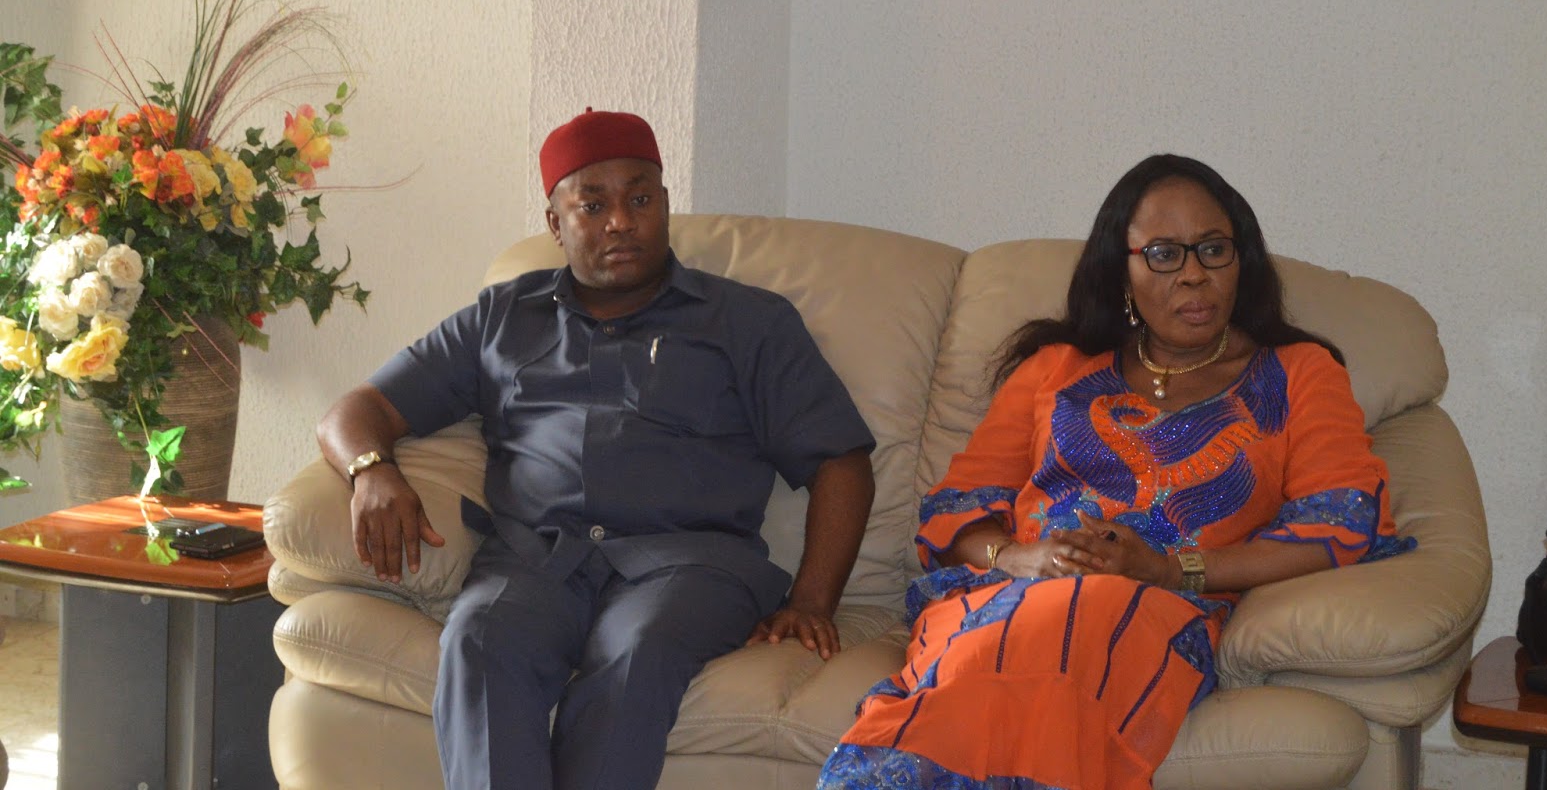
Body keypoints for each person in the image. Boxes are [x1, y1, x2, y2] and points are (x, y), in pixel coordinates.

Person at [816, 154, 1415, 790]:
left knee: (1085, 615)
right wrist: (1018, 557)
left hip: (1155, 611)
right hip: (1011, 596)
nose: (1193, 274)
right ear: (1121, 270)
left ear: (1243, 262)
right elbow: (954, 508)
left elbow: (1340, 525)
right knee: (1009, 643)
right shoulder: (1056, 367)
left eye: (1214, 249)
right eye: (1163, 254)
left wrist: (1168, 569)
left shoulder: (1299, 372)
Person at [318, 109, 877, 790]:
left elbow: (840, 460)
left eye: (640, 199)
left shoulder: (746, 321)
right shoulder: (503, 317)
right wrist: (371, 470)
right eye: (593, 205)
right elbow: (358, 411)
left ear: (664, 204)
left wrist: (813, 600)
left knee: (636, 652)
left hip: (688, 566)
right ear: (555, 224)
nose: (620, 222)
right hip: (535, 559)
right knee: (478, 641)